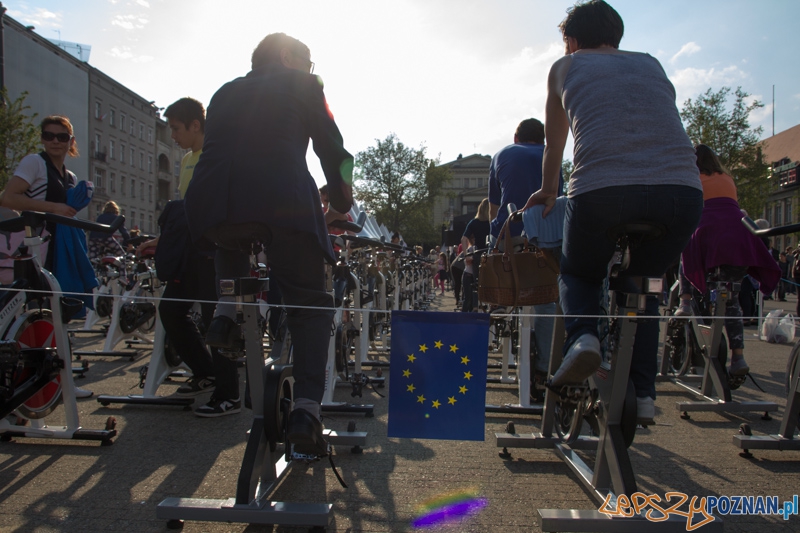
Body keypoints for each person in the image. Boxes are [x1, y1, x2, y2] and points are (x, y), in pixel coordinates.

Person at [522, 0, 704, 425]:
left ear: (570, 40)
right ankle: (642, 395)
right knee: (644, 290)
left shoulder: (564, 68)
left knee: (579, 273)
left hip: (604, 188)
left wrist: (549, 191)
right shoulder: (652, 63)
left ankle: (583, 339)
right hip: (680, 191)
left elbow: (555, 143)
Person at [184, 33, 353, 455]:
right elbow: (333, 148)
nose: (311, 71)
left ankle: (224, 316)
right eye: (308, 62)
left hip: (211, 202)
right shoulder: (305, 86)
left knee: (233, 233)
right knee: (310, 302)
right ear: (286, 56)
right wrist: (342, 200)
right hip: (282, 199)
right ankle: (308, 411)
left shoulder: (224, 91)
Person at [139, 97, 240, 417]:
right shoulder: (186, 160)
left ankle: (230, 395)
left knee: (217, 321)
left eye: (176, 128)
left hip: (214, 252)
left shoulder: (220, 154)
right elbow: (186, 212)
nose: (172, 135)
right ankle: (206, 371)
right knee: (170, 310)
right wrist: (161, 239)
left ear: (196, 125)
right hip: (189, 252)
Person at [1, 115, 95, 398]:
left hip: (58, 249)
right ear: (42, 138)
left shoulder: (69, 176)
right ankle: (30, 382)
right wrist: (52, 206)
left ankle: (57, 382)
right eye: (49, 135)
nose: (55, 141)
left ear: (71, 141)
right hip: (37, 248)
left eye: (62, 136)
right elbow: (8, 197)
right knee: (37, 315)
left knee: (57, 316)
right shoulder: (34, 162)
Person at [676, 144, 780, 376]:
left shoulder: (694, 177)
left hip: (711, 234)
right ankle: (738, 357)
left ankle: (684, 300)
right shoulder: (727, 178)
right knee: (730, 300)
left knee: (686, 250)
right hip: (739, 237)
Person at [488, 118, 563, 387]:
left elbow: (494, 209)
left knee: (496, 277)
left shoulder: (501, 155)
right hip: (545, 233)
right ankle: (543, 368)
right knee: (547, 299)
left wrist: (492, 243)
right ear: (542, 139)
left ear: (516, 138)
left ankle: (497, 308)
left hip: (510, 229)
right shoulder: (550, 156)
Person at [461, 198, 491, 311]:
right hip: (491, 254)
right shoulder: (493, 222)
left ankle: (475, 308)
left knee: (476, 284)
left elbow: (463, 239)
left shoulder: (474, 222)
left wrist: (466, 255)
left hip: (478, 255)